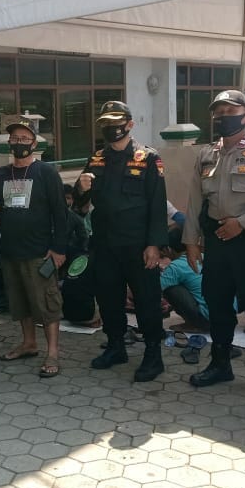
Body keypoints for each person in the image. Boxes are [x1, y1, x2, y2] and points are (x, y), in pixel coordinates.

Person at [183, 90, 245, 403]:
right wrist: (191, 241)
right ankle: (220, 363)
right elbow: (194, 200)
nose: (224, 115)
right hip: (216, 240)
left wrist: (243, 222)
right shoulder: (206, 154)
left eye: (231, 109)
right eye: (219, 111)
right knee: (217, 303)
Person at [74, 100, 167, 382]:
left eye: (117, 123)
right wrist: (81, 189)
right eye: (106, 124)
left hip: (138, 244)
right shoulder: (97, 158)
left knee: (146, 301)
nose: (111, 128)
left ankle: (153, 355)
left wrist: (154, 245)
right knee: (109, 299)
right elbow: (81, 205)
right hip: (105, 243)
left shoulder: (148, 158)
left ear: (129, 124)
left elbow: (157, 204)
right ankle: (116, 346)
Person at [0, 116, 68, 377]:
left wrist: (59, 249)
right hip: (11, 252)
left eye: (24, 139)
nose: (18, 143)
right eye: (14, 139)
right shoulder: (2, 174)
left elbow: (61, 213)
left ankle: (52, 352)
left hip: (40, 252)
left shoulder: (46, 173)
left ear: (34, 142)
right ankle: (29, 343)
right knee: (20, 302)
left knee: (46, 303)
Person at [159, 231, 209, 332]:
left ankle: (196, 324)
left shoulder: (176, 266)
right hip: (228, 317)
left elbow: (154, 289)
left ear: (167, 249)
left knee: (171, 289)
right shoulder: (204, 257)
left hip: (208, 320)